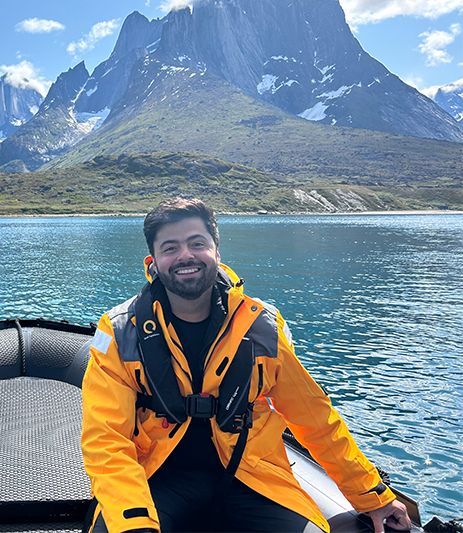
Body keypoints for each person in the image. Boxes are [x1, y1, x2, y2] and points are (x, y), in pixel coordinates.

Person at [81, 198, 410, 533]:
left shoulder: (263, 326)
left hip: (250, 474)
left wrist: (371, 495)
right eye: (171, 248)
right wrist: (134, 522)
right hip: (157, 477)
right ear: (153, 262)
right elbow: (106, 439)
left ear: (217, 253)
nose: (186, 256)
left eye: (197, 244)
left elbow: (313, 417)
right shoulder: (120, 331)